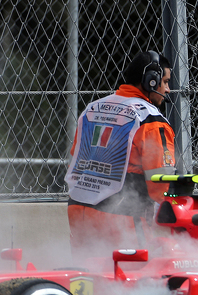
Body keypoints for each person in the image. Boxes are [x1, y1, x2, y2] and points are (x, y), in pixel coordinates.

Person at [65, 50, 177, 262]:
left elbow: (77, 156)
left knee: (87, 279)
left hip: (78, 211)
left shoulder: (92, 108)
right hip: (122, 217)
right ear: (151, 81)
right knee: (135, 282)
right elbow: (161, 185)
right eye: (164, 81)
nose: (168, 89)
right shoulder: (151, 120)